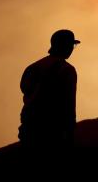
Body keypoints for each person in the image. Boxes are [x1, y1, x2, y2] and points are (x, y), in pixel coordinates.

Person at [18, 29, 80, 160]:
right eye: (70, 45)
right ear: (63, 45)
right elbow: (69, 106)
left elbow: (25, 91)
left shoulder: (33, 67)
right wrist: (70, 136)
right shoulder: (67, 70)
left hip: (29, 130)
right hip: (52, 135)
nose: (72, 49)